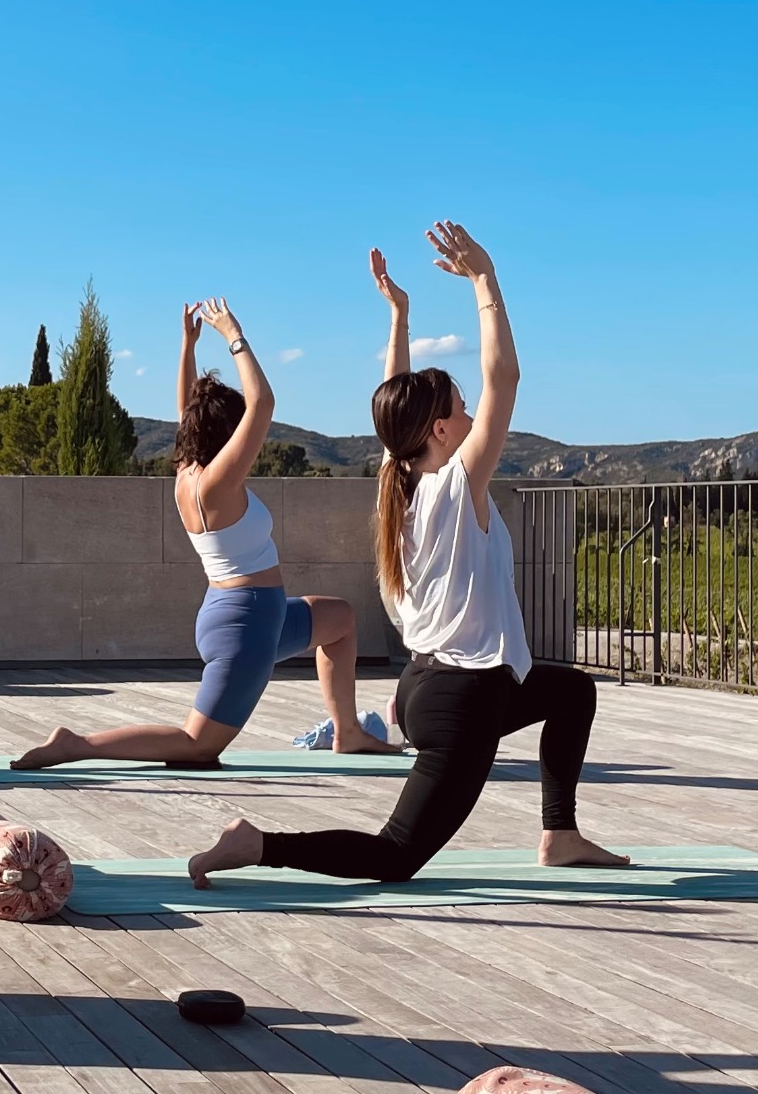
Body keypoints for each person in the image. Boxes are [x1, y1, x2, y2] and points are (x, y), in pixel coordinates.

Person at [187, 224, 627, 888]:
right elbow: (504, 376)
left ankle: (559, 835)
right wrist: (486, 282)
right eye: (461, 407)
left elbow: (396, 403)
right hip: (461, 700)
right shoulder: (454, 487)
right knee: (395, 855)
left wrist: (401, 317)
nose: (475, 411)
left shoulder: (401, 484)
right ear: (443, 431)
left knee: (571, 692)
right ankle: (258, 844)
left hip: (434, 686)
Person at [13, 297, 399, 769]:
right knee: (199, 746)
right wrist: (232, 333)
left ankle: (348, 732)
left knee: (339, 620)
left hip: (251, 613)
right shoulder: (217, 484)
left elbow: (187, 411)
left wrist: (187, 344)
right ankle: (77, 744)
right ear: (225, 433)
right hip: (247, 625)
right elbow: (263, 402)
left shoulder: (188, 471)